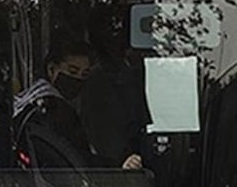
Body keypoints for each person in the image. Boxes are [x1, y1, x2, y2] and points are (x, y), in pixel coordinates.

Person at [13, 40, 142, 170]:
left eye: (84, 74)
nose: (77, 79)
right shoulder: (54, 109)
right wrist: (118, 166)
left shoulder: (28, 100)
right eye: (72, 71)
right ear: (51, 69)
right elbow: (77, 158)